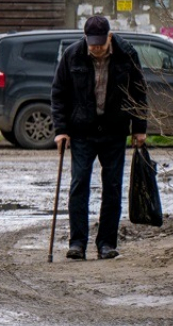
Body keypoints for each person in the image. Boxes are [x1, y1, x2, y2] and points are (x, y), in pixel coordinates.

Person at [51, 15, 148, 260]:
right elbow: (59, 93)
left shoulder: (126, 54)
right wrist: (61, 130)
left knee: (113, 187)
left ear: (109, 37)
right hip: (82, 131)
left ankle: (106, 243)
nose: (95, 47)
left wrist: (139, 127)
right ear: (85, 37)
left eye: (100, 43)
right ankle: (77, 244)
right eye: (91, 42)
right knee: (79, 185)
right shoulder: (73, 55)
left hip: (114, 130)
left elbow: (138, 92)